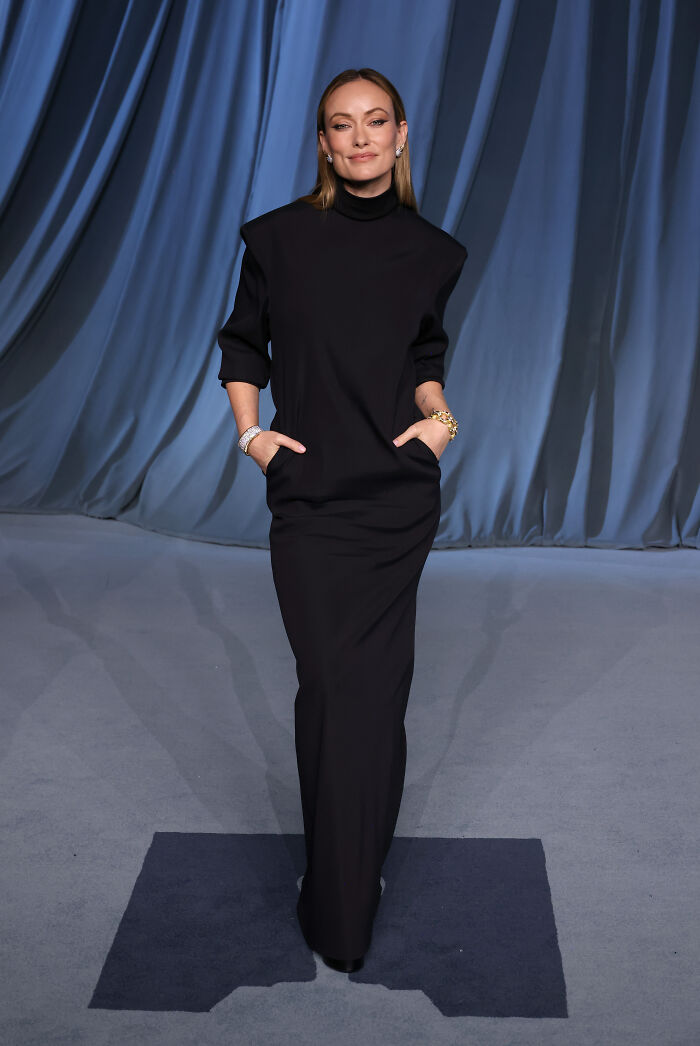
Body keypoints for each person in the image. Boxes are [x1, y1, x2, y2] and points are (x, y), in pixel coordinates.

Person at [217, 68, 467, 973]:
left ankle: (345, 893)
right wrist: (254, 437)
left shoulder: (435, 251)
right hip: (314, 502)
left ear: (402, 136)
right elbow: (243, 342)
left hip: (395, 501)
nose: (359, 140)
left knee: (373, 697)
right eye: (340, 126)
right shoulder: (278, 240)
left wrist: (439, 423)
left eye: (375, 123)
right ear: (322, 143)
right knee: (330, 688)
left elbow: (425, 352)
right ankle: (341, 874)